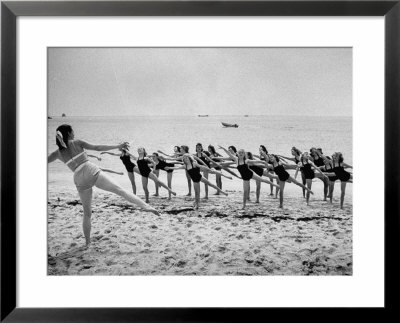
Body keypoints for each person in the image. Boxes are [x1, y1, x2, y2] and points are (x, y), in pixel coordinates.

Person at [47, 124, 159, 247]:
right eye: (72, 131)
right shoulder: (77, 142)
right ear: (68, 133)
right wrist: (118, 146)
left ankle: (88, 243)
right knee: (120, 190)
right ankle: (146, 206)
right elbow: (97, 147)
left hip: (78, 178)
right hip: (90, 170)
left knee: (87, 213)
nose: (74, 133)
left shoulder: (57, 153)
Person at [166, 154, 231, 209]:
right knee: (197, 193)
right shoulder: (185, 166)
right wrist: (169, 168)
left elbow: (200, 166)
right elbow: (177, 168)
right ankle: (197, 204)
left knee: (211, 184)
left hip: (199, 177)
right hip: (194, 180)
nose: (186, 159)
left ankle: (222, 191)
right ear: (184, 160)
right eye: (184, 158)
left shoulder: (193, 163)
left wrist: (207, 168)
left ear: (189, 158)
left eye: (187, 158)